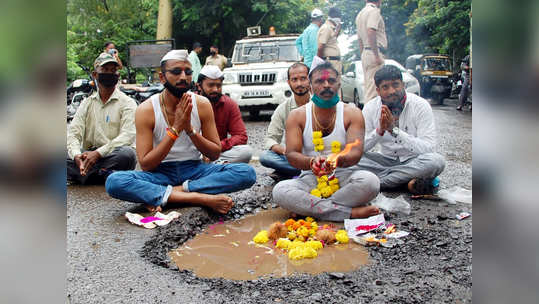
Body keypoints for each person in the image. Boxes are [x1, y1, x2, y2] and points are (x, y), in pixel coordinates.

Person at [105, 50, 256, 213]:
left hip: (196, 171)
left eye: (188, 72)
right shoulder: (146, 109)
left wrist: (190, 130)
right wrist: (175, 130)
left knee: (246, 173)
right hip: (160, 174)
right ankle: (198, 198)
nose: (183, 77)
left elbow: (214, 154)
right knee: (115, 181)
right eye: (176, 72)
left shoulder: (202, 104)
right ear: (162, 77)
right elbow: (146, 164)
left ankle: (169, 194)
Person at [272, 62, 380, 221]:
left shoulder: (353, 113)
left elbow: (356, 153)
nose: (326, 85)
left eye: (331, 81)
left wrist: (336, 160)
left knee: (371, 183)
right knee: (280, 191)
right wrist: (311, 162)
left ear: (339, 83)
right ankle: (349, 213)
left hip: (344, 177)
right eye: (319, 81)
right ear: (310, 86)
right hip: (311, 179)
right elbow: (292, 154)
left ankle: (311, 209)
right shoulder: (297, 116)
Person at [357, 65, 445, 194]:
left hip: (414, 161)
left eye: (395, 85)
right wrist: (379, 131)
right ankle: (404, 181)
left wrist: (394, 131)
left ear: (403, 85)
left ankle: (378, 183)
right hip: (385, 161)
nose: (392, 91)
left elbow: (428, 148)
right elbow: (361, 148)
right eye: (385, 87)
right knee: (351, 158)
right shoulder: (370, 108)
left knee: (436, 161)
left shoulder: (420, 105)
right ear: (378, 90)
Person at [67, 53, 137, 185]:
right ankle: (103, 174)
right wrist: (77, 155)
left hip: (112, 154)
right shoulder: (87, 103)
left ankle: (85, 175)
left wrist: (98, 154)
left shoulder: (128, 103)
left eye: (113, 70)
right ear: (95, 74)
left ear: (118, 75)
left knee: (128, 155)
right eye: (105, 70)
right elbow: (74, 133)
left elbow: (127, 136)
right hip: (89, 154)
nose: (110, 73)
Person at [260, 63, 311, 180]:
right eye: (294, 80)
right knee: (265, 157)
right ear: (289, 83)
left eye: (303, 78)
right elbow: (270, 138)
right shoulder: (283, 108)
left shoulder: (320, 104)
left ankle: (289, 172)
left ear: (310, 79)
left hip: (318, 154)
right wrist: (285, 151)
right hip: (293, 156)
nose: (299, 84)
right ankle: (309, 170)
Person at [197, 65, 253, 163]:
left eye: (218, 86)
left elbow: (241, 136)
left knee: (246, 152)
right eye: (210, 85)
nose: (215, 89)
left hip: (217, 152)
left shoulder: (229, 104)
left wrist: (218, 146)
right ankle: (216, 166)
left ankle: (210, 165)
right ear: (199, 86)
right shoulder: (190, 102)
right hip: (195, 153)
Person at [356, 0, 388, 103]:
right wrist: (376, 55)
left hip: (366, 52)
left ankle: (369, 117)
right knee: (374, 92)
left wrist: (363, 54)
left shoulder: (361, 14)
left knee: (369, 88)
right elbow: (371, 31)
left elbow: (359, 39)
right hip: (374, 52)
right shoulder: (374, 11)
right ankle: (368, 118)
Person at [317, 7, 343, 75]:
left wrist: (338, 30)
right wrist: (321, 64)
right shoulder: (326, 28)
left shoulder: (331, 28)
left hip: (333, 62)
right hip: (330, 62)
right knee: (331, 83)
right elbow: (320, 47)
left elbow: (331, 41)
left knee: (335, 82)